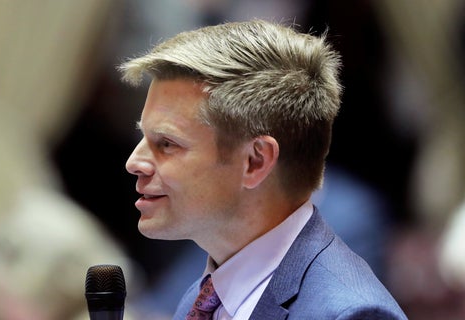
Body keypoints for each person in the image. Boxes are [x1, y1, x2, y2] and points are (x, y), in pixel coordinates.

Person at [118, 19, 407, 319]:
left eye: (166, 143)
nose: (134, 163)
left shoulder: (347, 313)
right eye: (143, 137)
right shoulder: (201, 298)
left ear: (255, 161)